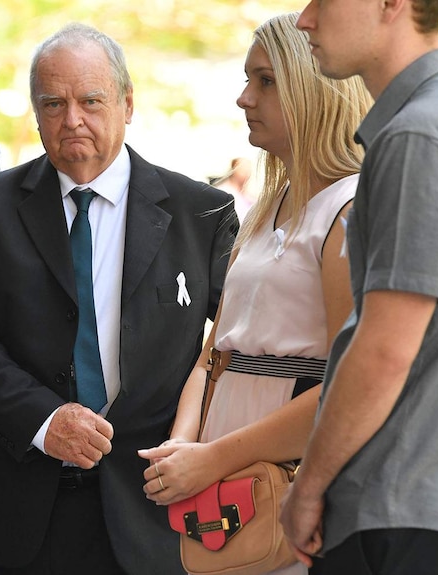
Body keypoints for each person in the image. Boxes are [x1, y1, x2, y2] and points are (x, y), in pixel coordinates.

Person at [0, 22, 238, 575]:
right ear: (36, 113)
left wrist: (197, 445)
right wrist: (46, 420)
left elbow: (234, 345)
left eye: (91, 101)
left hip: (154, 508)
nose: (72, 119)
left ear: (127, 104)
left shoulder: (202, 214)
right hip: (16, 506)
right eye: (53, 103)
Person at [280, 0, 438, 573]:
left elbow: (385, 350)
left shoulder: (423, 137)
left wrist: (307, 487)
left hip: (404, 518)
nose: (306, 18)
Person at [138, 12, 371, 575]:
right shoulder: (266, 207)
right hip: (223, 486)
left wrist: (212, 457)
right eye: (248, 79)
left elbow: (348, 385)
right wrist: (182, 447)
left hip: (291, 480)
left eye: (266, 80)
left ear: (313, 87)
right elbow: (215, 353)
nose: (245, 98)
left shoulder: (350, 209)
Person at [213, 157, 255, 222]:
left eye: (248, 170)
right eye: (243, 169)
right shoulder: (224, 191)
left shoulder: (248, 196)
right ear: (235, 169)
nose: (247, 173)